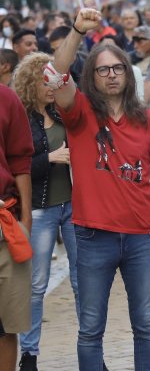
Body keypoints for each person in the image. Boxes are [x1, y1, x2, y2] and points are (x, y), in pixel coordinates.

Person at [49, 8, 150, 370]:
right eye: (102, 70)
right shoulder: (78, 114)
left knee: (147, 327)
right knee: (91, 330)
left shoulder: (148, 119)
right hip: (93, 236)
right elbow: (56, 72)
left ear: (128, 72)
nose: (111, 75)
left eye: (118, 68)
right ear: (91, 77)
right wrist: (77, 29)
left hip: (142, 236)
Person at [13, 53, 78, 371]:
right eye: (44, 81)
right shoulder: (22, 119)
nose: (51, 86)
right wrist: (50, 158)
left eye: (54, 80)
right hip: (39, 210)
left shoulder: (62, 112)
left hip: (73, 207)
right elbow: (17, 168)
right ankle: (29, 353)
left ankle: (89, 350)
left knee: (83, 281)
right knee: (36, 285)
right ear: (29, 83)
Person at [0, 84, 34, 371]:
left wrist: (25, 222)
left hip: (5, 224)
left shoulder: (5, 97)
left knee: (6, 325)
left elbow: (20, 161)